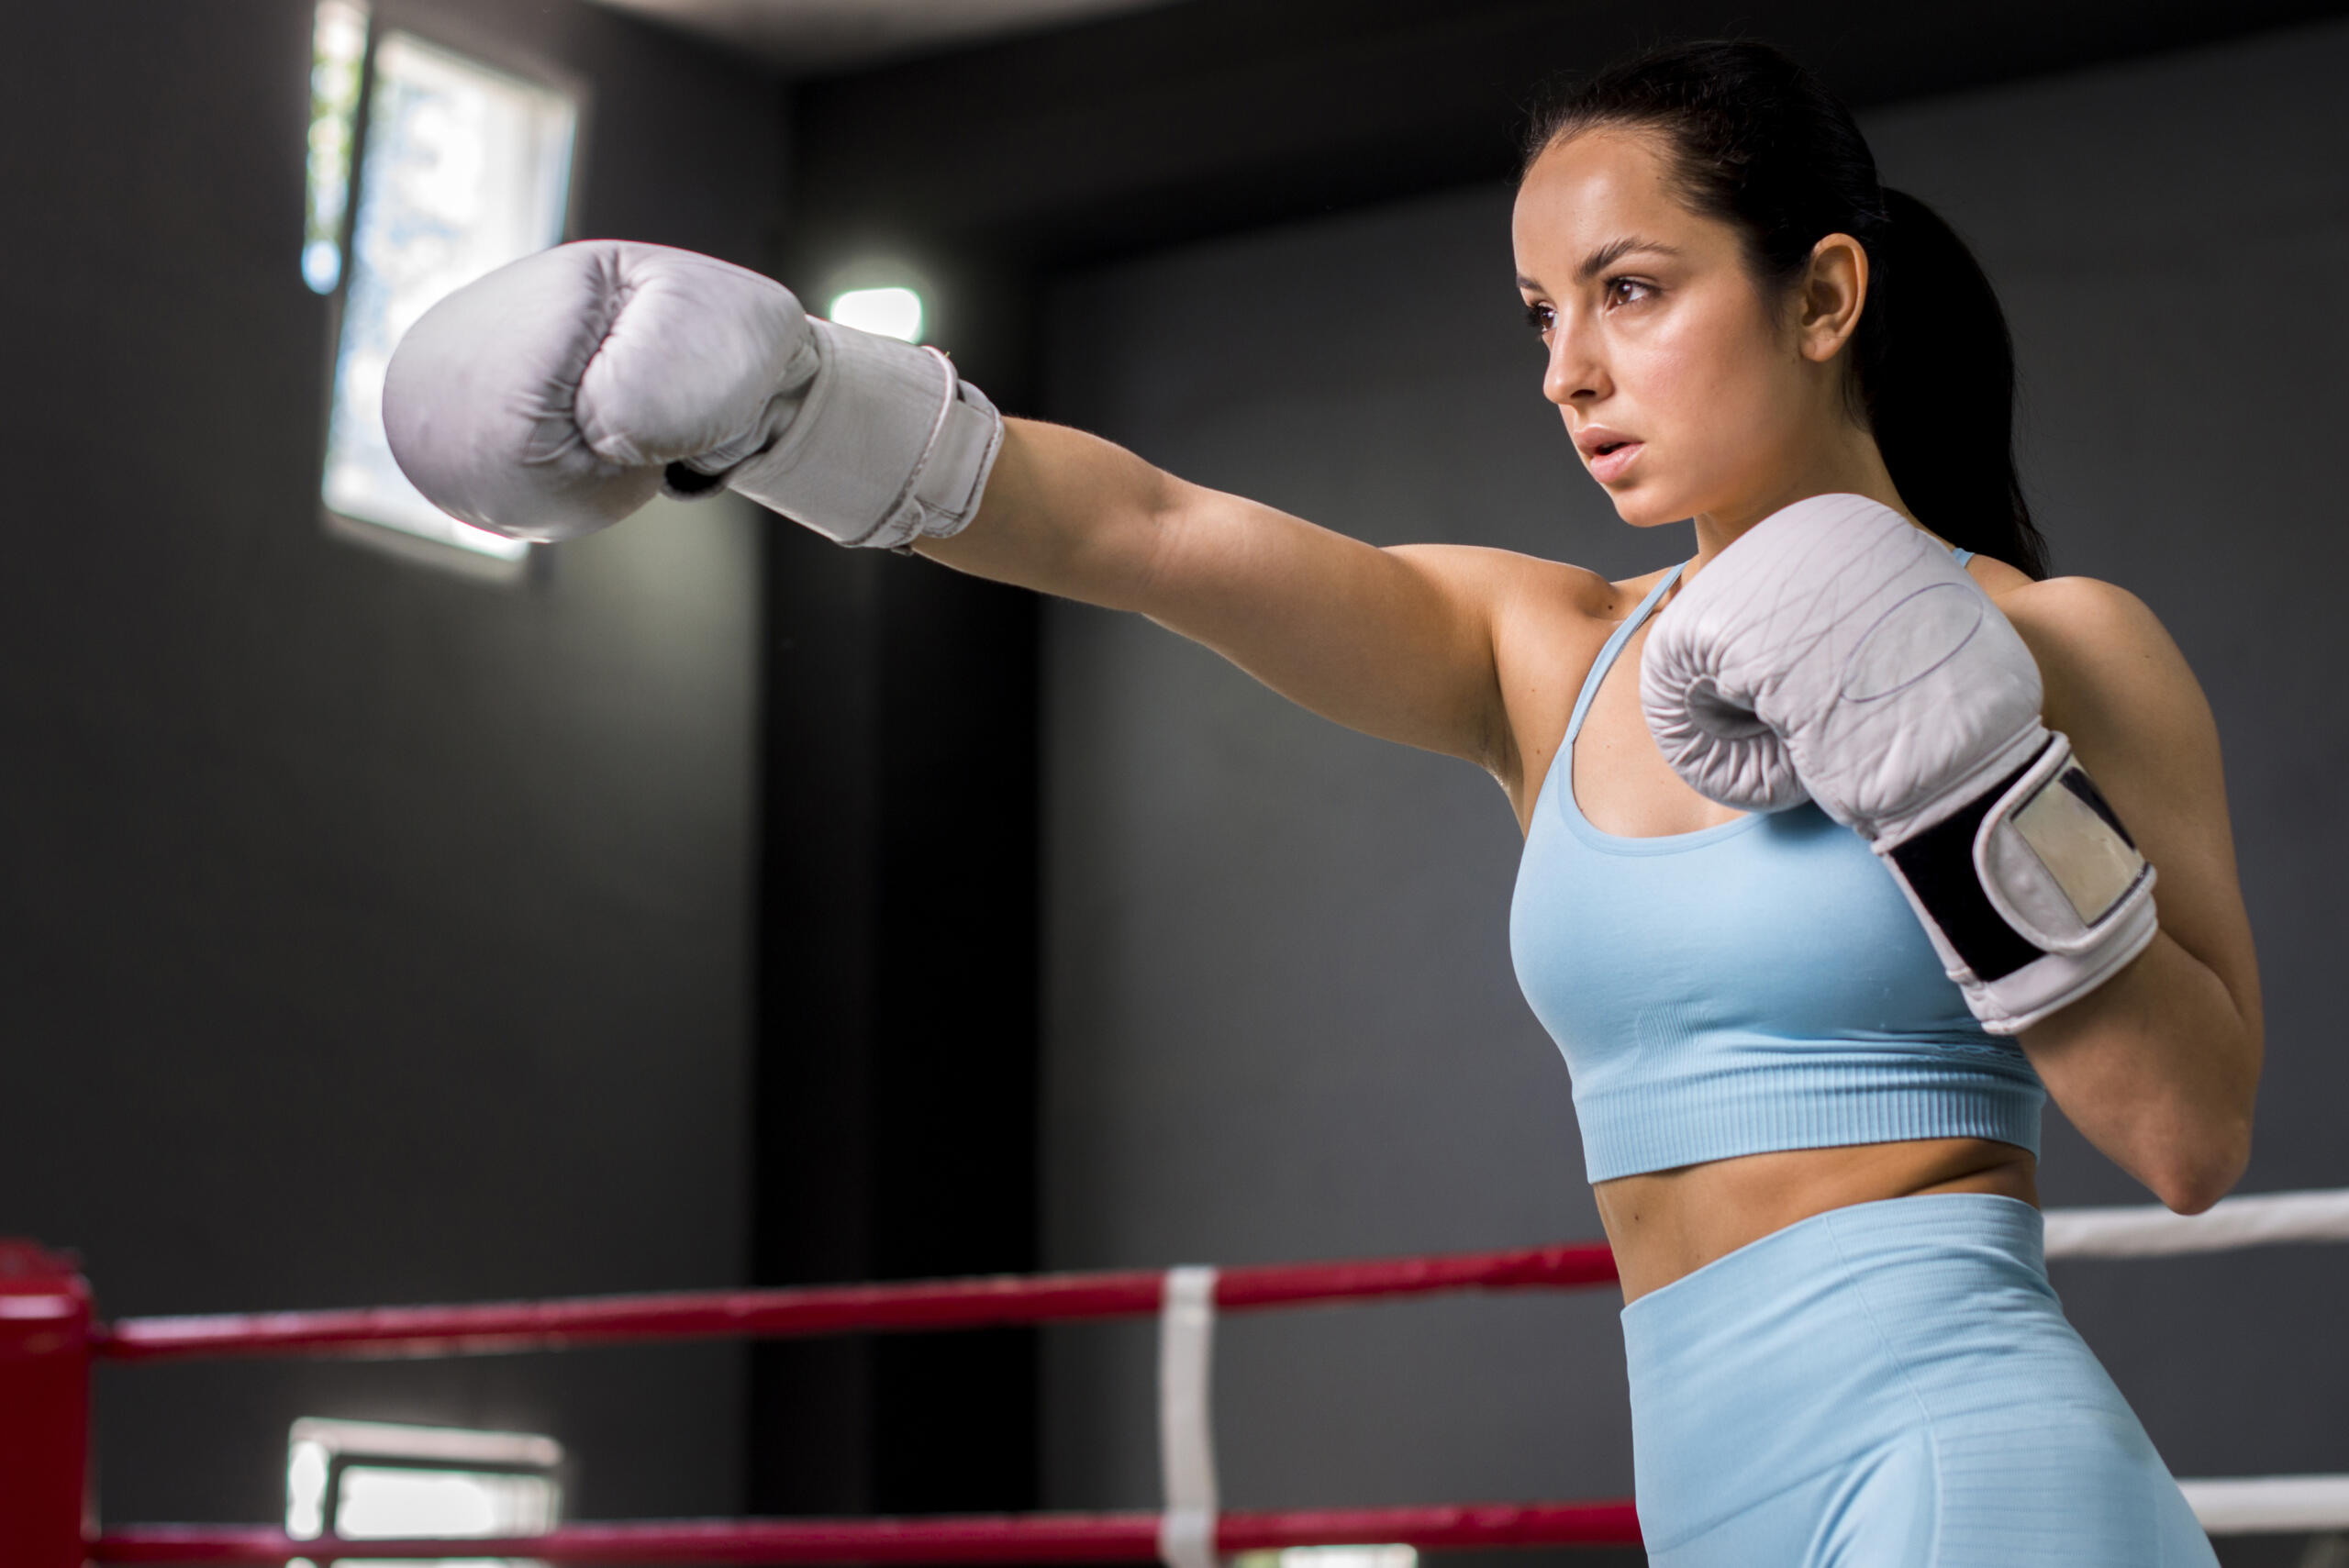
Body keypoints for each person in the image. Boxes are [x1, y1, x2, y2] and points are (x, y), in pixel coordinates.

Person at [380, 38, 2262, 1566]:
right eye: (1537, 314)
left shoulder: (2055, 645)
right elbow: (1146, 531)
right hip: (1708, 1483)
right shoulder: (1540, 654)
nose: (1570, 372)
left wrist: (1955, 773)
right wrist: (788, 401)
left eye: (1629, 291)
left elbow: (2184, 1134)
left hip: (1962, 1455)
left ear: (1821, 292)